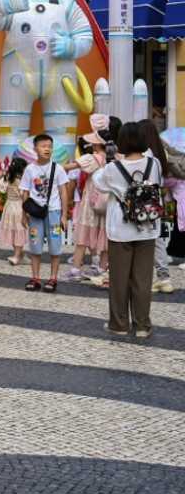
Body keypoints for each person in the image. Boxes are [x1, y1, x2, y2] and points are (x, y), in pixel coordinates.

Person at [93, 122, 162, 338]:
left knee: (120, 279)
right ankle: (142, 325)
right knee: (143, 279)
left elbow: (98, 182)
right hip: (148, 228)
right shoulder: (154, 163)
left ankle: (119, 324)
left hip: (121, 230)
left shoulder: (113, 169)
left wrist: (110, 162)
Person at [20, 133, 70, 293]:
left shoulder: (58, 168)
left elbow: (64, 192)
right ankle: (35, 278)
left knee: (55, 247)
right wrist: (23, 214)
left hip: (54, 213)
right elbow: (25, 193)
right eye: (43, 146)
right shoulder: (29, 169)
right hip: (35, 214)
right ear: (35, 148)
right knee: (35, 246)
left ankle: (53, 278)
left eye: (49, 146)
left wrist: (64, 215)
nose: (47, 149)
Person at [64, 129, 109, 284]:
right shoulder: (114, 158)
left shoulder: (92, 157)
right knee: (104, 234)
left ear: (97, 143)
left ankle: (76, 269)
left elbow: (69, 167)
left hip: (91, 201)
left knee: (82, 236)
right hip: (107, 202)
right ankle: (102, 269)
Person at [139, 119, 174, 294]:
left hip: (142, 202)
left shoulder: (144, 154)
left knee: (142, 239)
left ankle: (143, 278)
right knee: (157, 238)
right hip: (156, 200)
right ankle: (164, 277)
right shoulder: (162, 153)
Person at [0, 157, 29, 266]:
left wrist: (0, 173)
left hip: (9, 207)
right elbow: (24, 197)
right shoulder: (21, 181)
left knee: (14, 231)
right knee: (19, 231)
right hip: (19, 207)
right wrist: (27, 211)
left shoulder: (8, 178)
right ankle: (17, 256)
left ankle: (20, 255)